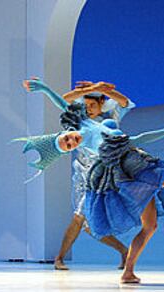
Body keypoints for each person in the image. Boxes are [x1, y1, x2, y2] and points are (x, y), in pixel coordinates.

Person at [17, 79, 164, 284]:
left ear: (66, 132)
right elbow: (136, 140)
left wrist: (44, 88)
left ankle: (128, 272)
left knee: (150, 226)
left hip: (134, 165)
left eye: (67, 139)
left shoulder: (85, 122)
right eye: (69, 146)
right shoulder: (100, 145)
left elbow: (63, 102)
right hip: (132, 171)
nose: (72, 141)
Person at [23, 78, 134, 270]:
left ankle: (59, 258)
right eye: (86, 104)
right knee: (88, 226)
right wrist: (91, 89)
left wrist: (100, 89)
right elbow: (64, 101)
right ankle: (124, 251)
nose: (89, 108)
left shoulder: (111, 120)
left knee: (79, 217)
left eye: (93, 104)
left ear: (102, 104)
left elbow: (124, 102)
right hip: (81, 174)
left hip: (100, 177)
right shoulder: (79, 120)